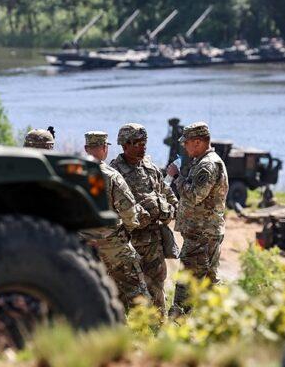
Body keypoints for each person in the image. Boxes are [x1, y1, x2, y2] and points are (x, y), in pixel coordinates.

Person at [110, 123, 178, 313]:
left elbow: (166, 192)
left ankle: (159, 333)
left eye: (144, 142)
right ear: (124, 145)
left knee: (157, 287)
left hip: (153, 244)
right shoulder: (114, 172)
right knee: (124, 290)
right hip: (128, 243)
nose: (142, 147)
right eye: (137, 143)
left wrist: (170, 209)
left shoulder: (150, 167)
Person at [80, 131, 152, 309]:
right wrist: (128, 228)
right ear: (105, 148)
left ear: (85, 148)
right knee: (136, 291)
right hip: (113, 245)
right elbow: (128, 211)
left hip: (83, 244)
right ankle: (149, 331)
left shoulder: (73, 173)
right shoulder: (111, 176)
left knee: (87, 290)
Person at [166, 122, 229, 316]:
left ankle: (178, 323)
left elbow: (194, 195)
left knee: (187, 283)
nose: (184, 146)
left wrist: (176, 177)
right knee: (209, 282)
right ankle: (216, 321)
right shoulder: (203, 161)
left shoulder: (207, 165)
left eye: (187, 143)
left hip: (201, 236)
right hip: (206, 233)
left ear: (198, 142)